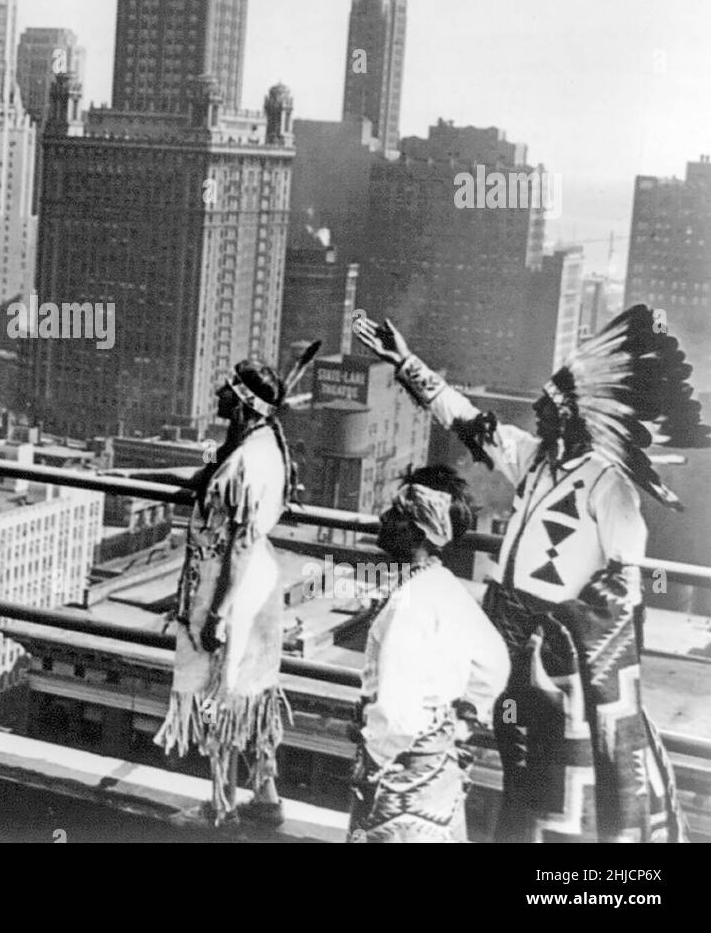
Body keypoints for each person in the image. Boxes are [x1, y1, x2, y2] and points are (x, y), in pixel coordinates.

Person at [354, 305, 706, 842]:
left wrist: (567, 640)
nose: (540, 412)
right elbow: (468, 420)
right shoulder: (535, 459)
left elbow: (626, 587)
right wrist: (406, 362)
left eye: (552, 405)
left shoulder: (610, 487)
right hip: (506, 638)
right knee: (511, 760)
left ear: (578, 417)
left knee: (559, 780)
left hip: (560, 659)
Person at [106, 354, 316, 827]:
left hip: (228, 587)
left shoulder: (244, 461)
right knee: (251, 690)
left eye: (227, 388)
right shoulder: (262, 447)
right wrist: (137, 477)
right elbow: (209, 488)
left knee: (219, 693)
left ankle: (222, 804)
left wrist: (218, 615)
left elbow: (238, 543)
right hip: (255, 581)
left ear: (241, 402)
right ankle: (265, 793)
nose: (218, 394)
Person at [348, 466, 510, 843]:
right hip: (438, 767)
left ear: (417, 531)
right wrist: (463, 720)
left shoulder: (409, 605)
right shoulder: (444, 586)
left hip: (399, 774)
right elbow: (495, 661)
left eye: (396, 513)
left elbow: (396, 711)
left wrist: (373, 758)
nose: (384, 518)